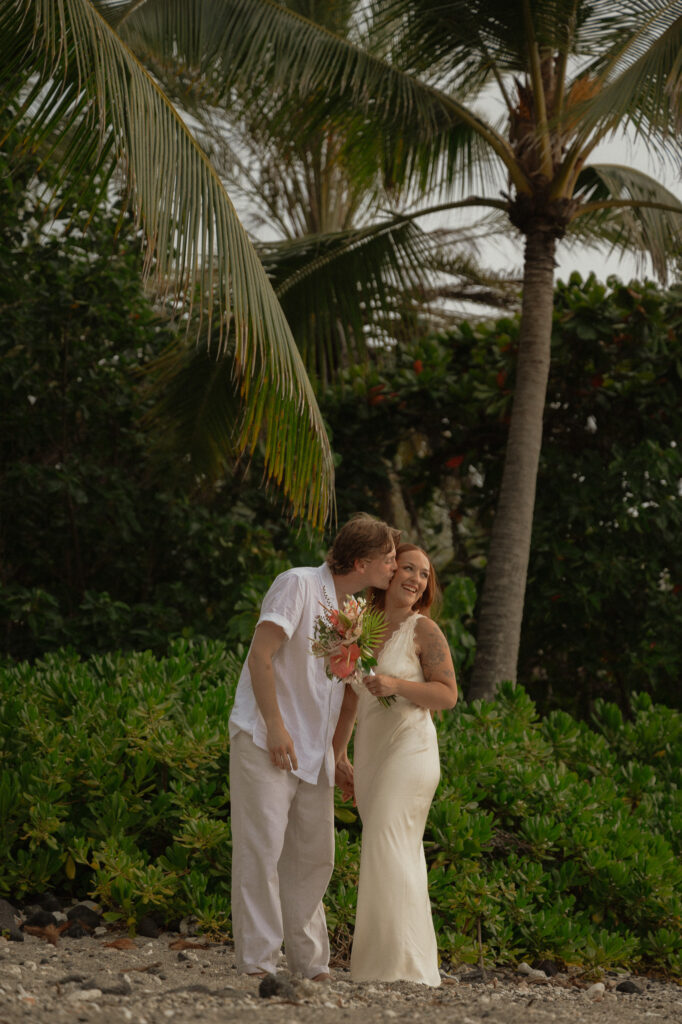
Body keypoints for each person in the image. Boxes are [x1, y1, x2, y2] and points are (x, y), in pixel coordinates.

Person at [228, 513, 400, 981]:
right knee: (260, 851)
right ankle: (259, 963)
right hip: (268, 738)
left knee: (314, 855)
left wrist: (337, 754)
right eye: (388, 558)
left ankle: (310, 964)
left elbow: (341, 691)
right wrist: (276, 726)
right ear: (362, 561)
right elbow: (261, 655)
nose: (394, 566)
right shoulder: (297, 584)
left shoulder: (356, 610)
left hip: (314, 750)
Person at [334, 543, 458, 986]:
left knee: (387, 839)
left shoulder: (424, 630)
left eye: (424, 574)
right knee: (388, 848)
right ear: (388, 573)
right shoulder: (357, 628)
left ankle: (402, 968)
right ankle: (390, 964)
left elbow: (447, 695)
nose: (416, 578)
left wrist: (397, 684)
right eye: (408, 567)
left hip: (411, 751)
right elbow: (350, 699)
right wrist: (338, 755)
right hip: (372, 752)